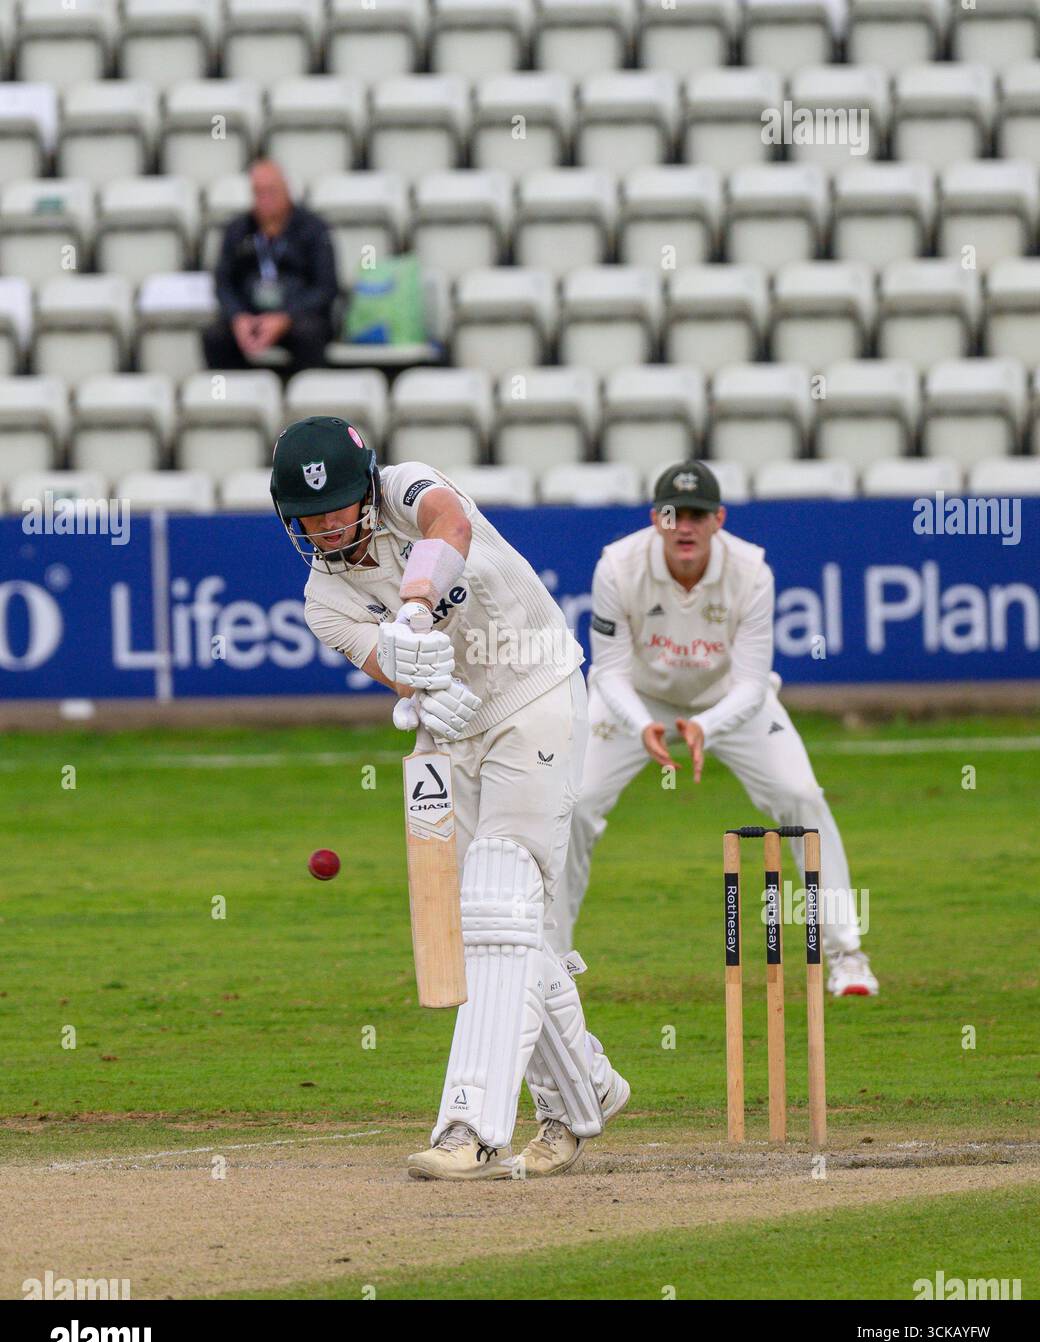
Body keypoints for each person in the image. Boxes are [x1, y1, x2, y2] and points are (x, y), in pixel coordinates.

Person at [269, 416, 629, 1179]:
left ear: (366, 487)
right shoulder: (322, 602)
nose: (328, 524)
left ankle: (470, 1127)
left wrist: (413, 609)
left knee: (501, 888)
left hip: (537, 689)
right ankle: (583, 1091)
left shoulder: (406, 489)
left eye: (337, 503)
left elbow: (449, 520)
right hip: (458, 735)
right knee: (494, 926)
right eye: (310, 516)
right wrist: (422, 697)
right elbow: (402, 678)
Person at [547, 460, 879, 998]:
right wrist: (642, 726)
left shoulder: (752, 571)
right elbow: (606, 671)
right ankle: (554, 962)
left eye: (697, 515)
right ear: (655, 517)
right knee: (575, 802)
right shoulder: (617, 566)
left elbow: (752, 685)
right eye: (673, 514)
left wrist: (703, 725)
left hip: (727, 703)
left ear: (718, 519)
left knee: (801, 795)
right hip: (636, 699)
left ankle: (846, 953)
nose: (685, 526)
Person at [204, 160, 337, 373]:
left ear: (286, 190)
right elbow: (223, 283)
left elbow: (325, 288)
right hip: (251, 315)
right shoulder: (237, 230)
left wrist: (285, 318)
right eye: (259, 192)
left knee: (309, 334)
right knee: (216, 336)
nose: (265, 199)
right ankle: (236, 397)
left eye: (271, 191)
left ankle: (303, 396)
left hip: (297, 316)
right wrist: (238, 317)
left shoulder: (314, 230)